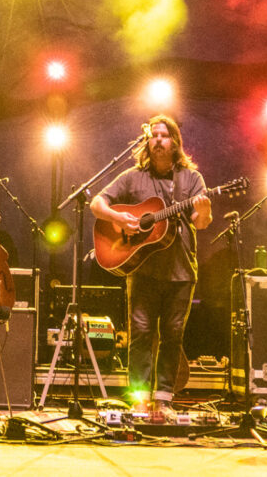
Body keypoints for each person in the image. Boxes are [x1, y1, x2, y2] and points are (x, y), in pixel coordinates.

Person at [90, 115, 211, 416]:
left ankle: (164, 400)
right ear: (147, 141)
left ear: (175, 143)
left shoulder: (192, 180)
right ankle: (140, 399)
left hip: (181, 271)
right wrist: (119, 218)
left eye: (165, 135)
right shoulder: (133, 177)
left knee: (173, 335)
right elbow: (97, 203)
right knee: (141, 333)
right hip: (142, 270)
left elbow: (202, 222)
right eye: (154, 135)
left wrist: (205, 209)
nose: (158, 139)